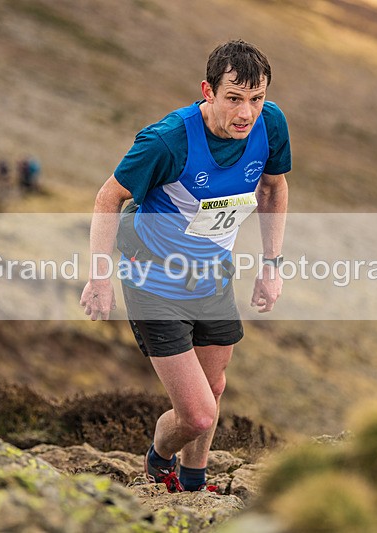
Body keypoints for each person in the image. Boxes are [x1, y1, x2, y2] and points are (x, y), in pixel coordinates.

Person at [80, 40, 291, 493]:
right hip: (154, 280)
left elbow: (273, 189)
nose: (246, 113)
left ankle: (194, 484)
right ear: (208, 91)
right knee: (197, 414)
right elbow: (108, 197)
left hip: (213, 277)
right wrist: (99, 276)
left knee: (214, 389)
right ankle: (159, 458)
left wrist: (271, 266)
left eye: (257, 99)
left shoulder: (270, 124)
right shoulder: (168, 140)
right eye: (234, 98)